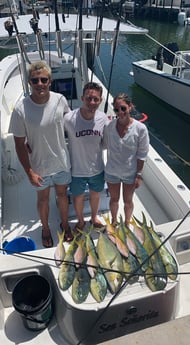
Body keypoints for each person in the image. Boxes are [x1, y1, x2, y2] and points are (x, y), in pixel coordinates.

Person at [9, 61, 72, 247]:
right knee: (43, 199)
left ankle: (65, 223)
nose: (39, 84)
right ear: (29, 82)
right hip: (39, 167)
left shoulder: (60, 99)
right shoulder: (21, 109)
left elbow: (70, 123)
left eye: (43, 79)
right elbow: (19, 145)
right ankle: (45, 228)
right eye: (35, 80)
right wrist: (29, 171)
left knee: (62, 195)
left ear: (50, 81)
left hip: (61, 163)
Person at [64, 82, 109, 232]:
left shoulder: (103, 118)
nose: (92, 102)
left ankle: (94, 217)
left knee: (96, 194)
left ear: (100, 101)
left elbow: (106, 142)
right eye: (89, 98)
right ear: (82, 98)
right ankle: (81, 221)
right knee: (78, 197)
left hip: (97, 167)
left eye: (96, 99)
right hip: (77, 169)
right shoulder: (69, 118)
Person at [104, 93, 149, 227]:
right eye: (117, 110)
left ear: (130, 106)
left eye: (123, 108)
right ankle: (113, 221)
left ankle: (127, 223)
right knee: (114, 199)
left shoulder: (140, 129)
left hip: (130, 172)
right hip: (112, 171)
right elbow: (105, 144)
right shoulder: (109, 127)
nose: (120, 112)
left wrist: (139, 175)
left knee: (128, 201)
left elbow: (142, 154)